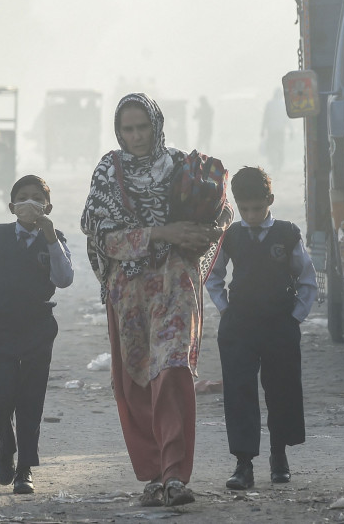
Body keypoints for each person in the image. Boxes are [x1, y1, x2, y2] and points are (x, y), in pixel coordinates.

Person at [81, 93, 231, 508]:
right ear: (118, 131)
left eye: (142, 127)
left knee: (173, 371)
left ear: (156, 125)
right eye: (128, 129)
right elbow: (103, 236)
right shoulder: (108, 173)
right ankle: (151, 476)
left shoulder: (181, 166)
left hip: (174, 286)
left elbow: (222, 210)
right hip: (128, 292)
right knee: (136, 381)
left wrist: (207, 231)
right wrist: (165, 233)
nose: (136, 137)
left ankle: (175, 475)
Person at [0, 174, 74, 495]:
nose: (30, 202)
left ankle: (25, 469)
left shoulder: (55, 239)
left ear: (48, 206)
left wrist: (51, 239)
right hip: (2, 325)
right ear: (12, 206)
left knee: (31, 398)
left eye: (37, 197)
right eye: (23, 197)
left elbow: (64, 279)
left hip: (38, 326)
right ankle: (6, 438)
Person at [205, 166, 317, 490]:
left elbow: (307, 279)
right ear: (237, 205)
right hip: (240, 325)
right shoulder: (231, 235)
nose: (251, 215)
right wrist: (226, 310)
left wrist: (295, 317)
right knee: (239, 392)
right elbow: (213, 277)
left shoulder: (287, 233)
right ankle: (243, 465)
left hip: (279, 324)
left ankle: (278, 456)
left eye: (257, 207)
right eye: (245, 209)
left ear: (270, 199)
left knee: (281, 391)